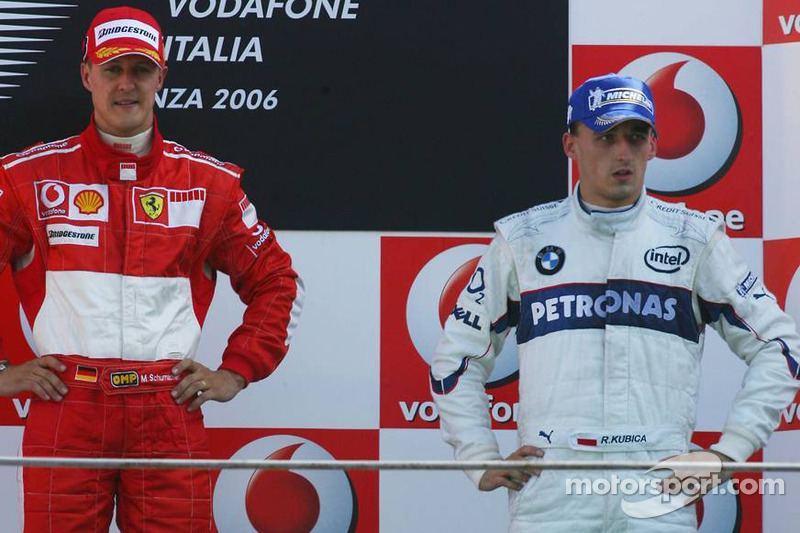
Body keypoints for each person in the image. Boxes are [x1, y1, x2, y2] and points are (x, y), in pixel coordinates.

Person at [430, 73, 800, 532]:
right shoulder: (523, 239)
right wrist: (478, 456)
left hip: (657, 482)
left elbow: (781, 346)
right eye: (605, 137)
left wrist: (728, 451)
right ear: (571, 144)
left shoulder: (694, 237)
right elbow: (456, 359)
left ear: (654, 146)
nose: (622, 152)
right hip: (554, 483)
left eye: (635, 136)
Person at [0, 6, 303, 532]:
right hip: (68, 404)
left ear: (161, 76)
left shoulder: (209, 185)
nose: (126, 84)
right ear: (86, 74)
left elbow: (277, 281)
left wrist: (237, 371)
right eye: (112, 68)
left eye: (140, 70)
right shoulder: (28, 177)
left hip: (167, 408)